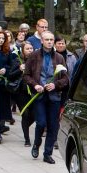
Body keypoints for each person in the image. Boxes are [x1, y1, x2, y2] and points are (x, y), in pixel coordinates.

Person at [24, 31, 69, 163]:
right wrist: (35, 85)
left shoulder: (59, 58)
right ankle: (37, 143)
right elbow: (26, 75)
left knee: (53, 125)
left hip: (54, 96)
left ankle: (47, 153)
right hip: (39, 96)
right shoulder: (34, 56)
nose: (49, 42)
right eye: (47, 39)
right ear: (42, 41)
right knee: (41, 123)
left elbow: (66, 78)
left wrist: (55, 85)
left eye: (51, 39)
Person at [8, 42, 36, 146]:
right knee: (25, 114)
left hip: (33, 91)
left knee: (34, 115)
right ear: (22, 51)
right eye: (27, 49)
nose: (30, 50)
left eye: (31, 48)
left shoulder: (36, 61)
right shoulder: (17, 61)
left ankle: (25, 127)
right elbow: (10, 76)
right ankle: (27, 139)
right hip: (21, 92)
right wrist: (19, 69)